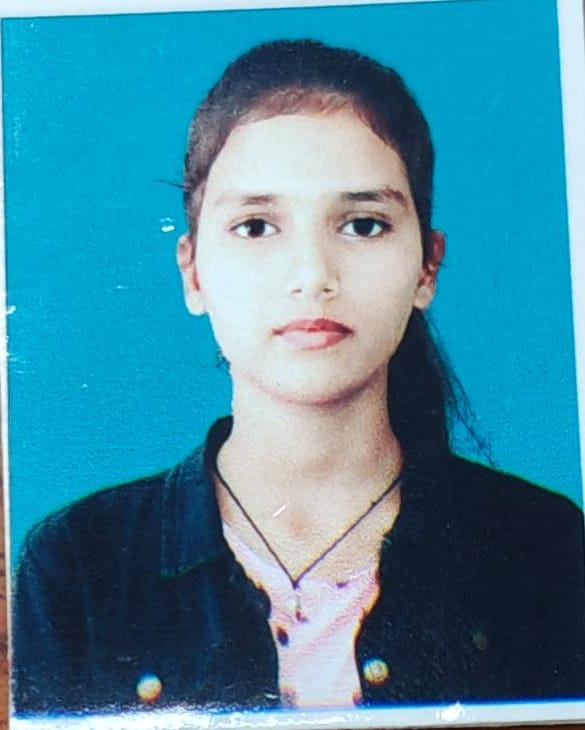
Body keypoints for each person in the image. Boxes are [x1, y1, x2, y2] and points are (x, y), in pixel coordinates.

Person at [13, 39, 585, 715]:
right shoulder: (79, 566)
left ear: (426, 267)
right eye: (256, 227)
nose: (312, 275)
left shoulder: (543, 547)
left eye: (363, 225)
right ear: (192, 271)